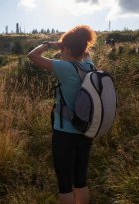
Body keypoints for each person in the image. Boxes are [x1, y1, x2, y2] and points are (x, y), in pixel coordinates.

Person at [28, 25, 96, 204]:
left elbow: (32, 56)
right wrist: (69, 45)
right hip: (86, 132)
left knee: (65, 185)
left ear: (65, 48)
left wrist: (47, 44)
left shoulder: (65, 68)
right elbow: (86, 54)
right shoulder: (89, 66)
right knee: (80, 180)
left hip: (65, 134)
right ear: (83, 48)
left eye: (63, 49)